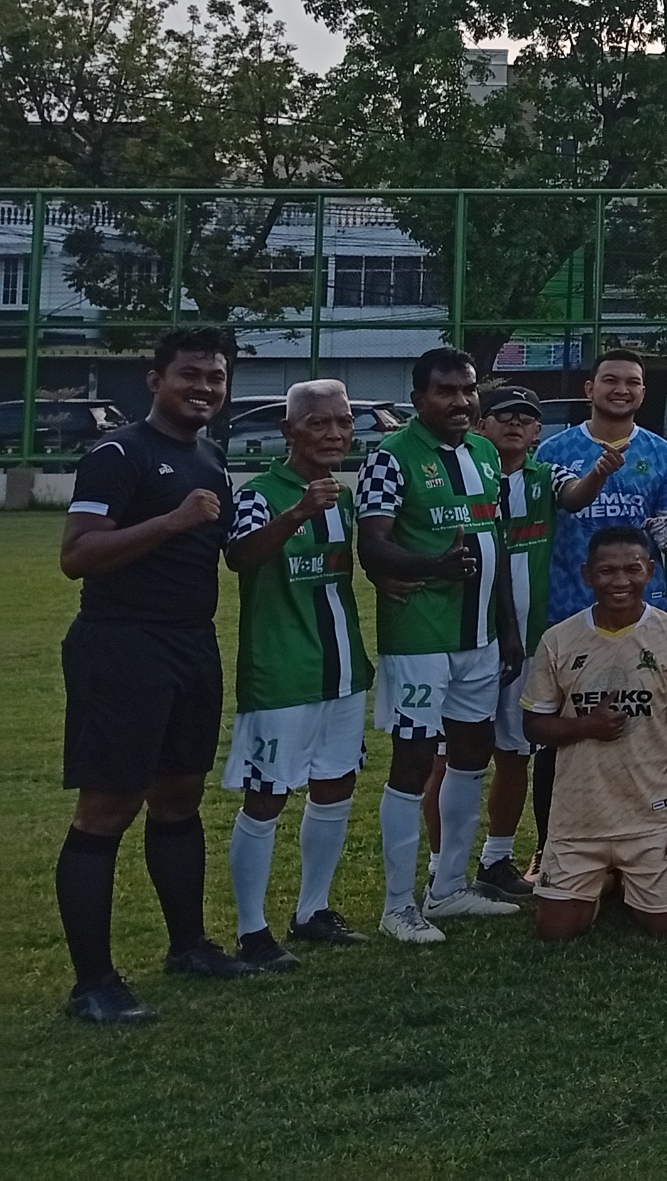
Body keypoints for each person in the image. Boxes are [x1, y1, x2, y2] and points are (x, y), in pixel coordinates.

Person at [56, 326, 255, 1023]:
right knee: (107, 807)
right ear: (155, 380)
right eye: (190, 374)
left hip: (191, 643)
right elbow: (77, 554)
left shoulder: (211, 457)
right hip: (122, 645)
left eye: (216, 376)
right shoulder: (118, 453)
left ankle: (188, 945)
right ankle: (93, 983)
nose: (204, 387)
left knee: (179, 797)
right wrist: (171, 521)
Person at [356, 346, 521, 939]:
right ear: (418, 398)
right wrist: (434, 566)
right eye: (446, 391)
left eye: (468, 389)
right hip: (420, 637)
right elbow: (372, 544)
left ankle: (448, 888)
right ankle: (398, 905)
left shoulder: (485, 452)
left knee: (473, 752)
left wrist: (508, 627)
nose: (461, 401)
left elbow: (496, 544)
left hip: (480, 637)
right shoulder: (390, 457)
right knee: (414, 759)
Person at [221, 381, 372, 971]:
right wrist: (298, 513)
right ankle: (251, 931)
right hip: (281, 671)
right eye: (319, 423)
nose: (335, 434)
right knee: (266, 796)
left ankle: (313, 910)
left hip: (342, 668)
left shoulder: (345, 497)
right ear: (288, 431)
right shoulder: (260, 494)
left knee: (335, 785)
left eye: (344, 422)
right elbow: (240, 555)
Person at [520, 526, 667, 938]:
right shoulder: (559, 639)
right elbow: (533, 725)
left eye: (632, 569)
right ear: (587, 574)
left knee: (665, 925)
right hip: (578, 818)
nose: (620, 581)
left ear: (650, 571)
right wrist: (585, 725)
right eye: (606, 571)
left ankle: (625, 876)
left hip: (650, 816)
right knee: (557, 930)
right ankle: (602, 879)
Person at [471, 385, 617, 901]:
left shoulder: (544, 474)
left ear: (537, 432)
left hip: (530, 637)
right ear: (481, 424)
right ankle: (443, 870)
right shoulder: (467, 474)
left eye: (526, 417)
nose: (515, 423)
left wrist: (599, 473)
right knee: (451, 755)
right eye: (504, 414)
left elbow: (574, 495)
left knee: (515, 751)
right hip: (466, 634)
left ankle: (495, 859)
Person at [537, 346, 667, 617]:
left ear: (643, 393)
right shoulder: (553, 451)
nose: (622, 390)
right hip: (569, 602)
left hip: (643, 605)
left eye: (632, 382)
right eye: (610, 380)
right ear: (589, 389)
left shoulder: (664, 453)